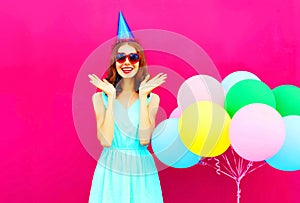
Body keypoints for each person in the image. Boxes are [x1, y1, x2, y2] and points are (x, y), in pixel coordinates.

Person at [87, 38, 167, 202]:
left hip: (140, 167)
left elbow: (144, 140)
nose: (127, 62)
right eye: (121, 57)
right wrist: (110, 98)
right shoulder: (99, 98)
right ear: (114, 62)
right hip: (111, 167)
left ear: (140, 62)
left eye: (133, 57)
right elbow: (106, 140)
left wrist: (144, 95)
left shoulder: (152, 99)